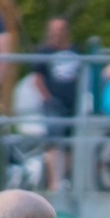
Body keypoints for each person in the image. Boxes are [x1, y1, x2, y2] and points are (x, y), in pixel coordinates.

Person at [31, 17, 81, 190]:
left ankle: (64, 179)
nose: (57, 33)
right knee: (53, 141)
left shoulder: (75, 50)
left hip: (72, 102)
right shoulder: (44, 52)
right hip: (53, 102)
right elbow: (37, 78)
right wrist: (48, 98)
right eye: (54, 29)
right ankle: (54, 182)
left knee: (68, 142)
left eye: (60, 29)